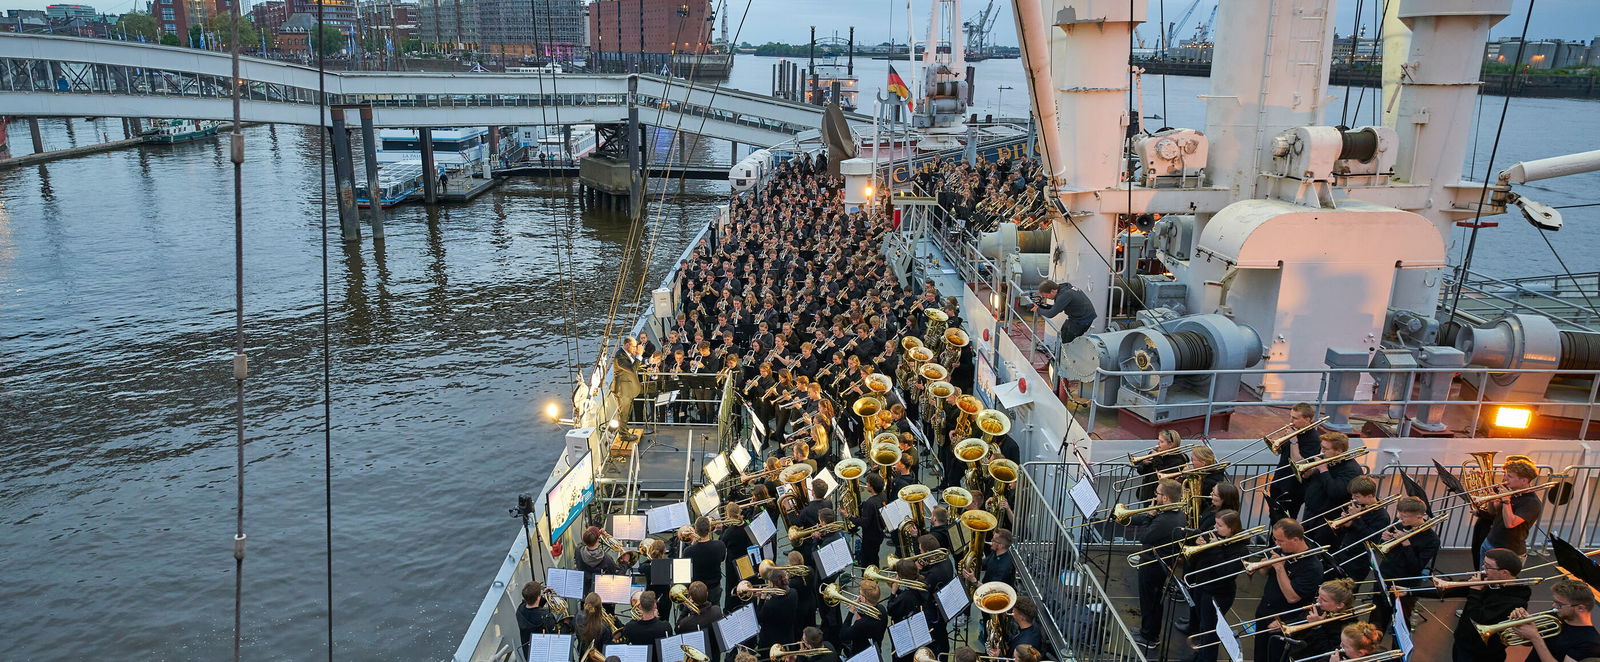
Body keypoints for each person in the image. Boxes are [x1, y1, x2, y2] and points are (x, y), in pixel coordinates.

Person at [1403, 548, 1531, 662]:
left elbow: (1477, 619)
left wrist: (1475, 592)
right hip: (1463, 643)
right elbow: (1456, 590)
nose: (1483, 569)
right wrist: (1409, 591)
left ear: (1504, 573)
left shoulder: (1515, 600)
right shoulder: (1490, 580)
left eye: (1487, 566)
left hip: (1481, 653)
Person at [1253, 519, 1325, 662]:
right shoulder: (1282, 549)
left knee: (1275, 657)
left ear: (1296, 540)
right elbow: (1263, 573)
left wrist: (1280, 568)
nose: (1277, 544)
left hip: (1284, 621)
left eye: (1281, 540)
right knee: (1259, 656)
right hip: (1265, 611)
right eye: (1275, 539)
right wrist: (1266, 565)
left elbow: (1292, 597)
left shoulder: (1312, 566)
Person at [1370, 496, 1439, 635]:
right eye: (1399, 514)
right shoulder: (1400, 522)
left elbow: (1416, 567)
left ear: (1419, 516)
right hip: (1385, 574)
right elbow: (1385, 548)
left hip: (1405, 583)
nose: (1400, 518)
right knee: (1376, 618)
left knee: (1401, 623)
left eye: (1405, 516)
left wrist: (1407, 544)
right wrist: (1384, 538)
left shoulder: (1432, 540)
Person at [1130, 479, 1187, 648]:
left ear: (1166, 499)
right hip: (1156, 563)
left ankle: (1149, 637)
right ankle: (1146, 630)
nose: (1155, 496)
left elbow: (1144, 537)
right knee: (1150, 601)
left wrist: (1150, 516)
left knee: (1151, 601)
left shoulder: (1165, 520)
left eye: (1157, 494)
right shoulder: (1175, 514)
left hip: (1153, 566)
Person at [1185, 510, 1246, 662]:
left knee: (1210, 632)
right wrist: (1199, 548)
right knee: (1203, 627)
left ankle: (1207, 659)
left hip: (1219, 594)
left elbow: (1225, 572)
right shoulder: (1215, 538)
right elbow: (1198, 564)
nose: (1214, 527)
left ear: (1231, 529)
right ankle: (1199, 657)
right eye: (1215, 523)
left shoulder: (1240, 549)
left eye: (1219, 525)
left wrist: (1214, 549)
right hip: (1202, 587)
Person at [1299, 432, 1363, 551]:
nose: (1321, 452)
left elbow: (1335, 491)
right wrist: (1309, 474)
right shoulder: (1326, 459)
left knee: (1320, 552)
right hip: (1311, 513)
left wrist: (1323, 470)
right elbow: (1316, 484)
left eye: (1325, 449)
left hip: (1327, 519)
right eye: (1321, 447)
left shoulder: (1351, 470)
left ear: (1338, 451)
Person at [1512, 578, 1600, 662]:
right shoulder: (1555, 616)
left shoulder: (1590, 642)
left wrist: (1535, 637)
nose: (1554, 606)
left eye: (1559, 604)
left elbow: (1536, 639)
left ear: (1580, 608)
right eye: (1554, 601)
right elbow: (1527, 643)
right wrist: (1521, 626)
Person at [1477, 457, 1543, 563]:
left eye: (1510, 476)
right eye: (1505, 474)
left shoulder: (1532, 502)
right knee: (1482, 577)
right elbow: (1493, 512)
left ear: (1524, 481)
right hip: (1490, 541)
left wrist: (1506, 501)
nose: (1505, 478)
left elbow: (1510, 523)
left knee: (1498, 579)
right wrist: (1491, 500)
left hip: (1509, 550)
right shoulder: (1510, 491)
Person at [1272, 578, 1356, 659]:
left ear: (1340, 605)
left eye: (1324, 600)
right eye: (1318, 596)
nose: (1317, 601)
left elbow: (1328, 652)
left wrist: (1317, 627)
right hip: (1296, 653)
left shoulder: (1348, 625)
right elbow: (1299, 620)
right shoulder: (1319, 608)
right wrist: (1285, 624)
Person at [1267, 403, 1321, 527]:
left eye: (1295, 418)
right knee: (1274, 519)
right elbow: (1279, 452)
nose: (1291, 421)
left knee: (1285, 523)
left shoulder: (1313, 439)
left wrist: (1294, 441)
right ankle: (1272, 544)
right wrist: (1283, 440)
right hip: (1279, 481)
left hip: (1293, 488)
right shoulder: (1295, 432)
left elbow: (1300, 464)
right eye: (1291, 417)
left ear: (1307, 419)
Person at [1328, 475, 1389, 581]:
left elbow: (1370, 538)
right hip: (1344, 552)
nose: (1353, 499)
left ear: (1370, 495)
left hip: (1359, 560)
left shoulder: (1382, 516)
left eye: (1357, 496)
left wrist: (1357, 518)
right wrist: (1346, 524)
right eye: (1352, 495)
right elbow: (1351, 531)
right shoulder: (1360, 506)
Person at [1034, 279, 1096, 347]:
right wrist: (1042, 305)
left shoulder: (1064, 295)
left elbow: (1050, 314)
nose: (1046, 298)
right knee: (1063, 334)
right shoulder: (1063, 288)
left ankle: (1066, 355)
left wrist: (1038, 310)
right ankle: (1059, 354)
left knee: (1068, 341)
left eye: (1046, 296)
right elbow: (1057, 307)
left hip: (1082, 320)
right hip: (1077, 316)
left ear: (1052, 291)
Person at [1132, 430, 1187, 504]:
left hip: (1161, 497)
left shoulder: (1178, 460)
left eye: (1161, 442)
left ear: (1171, 444)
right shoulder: (1157, 453)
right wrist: (1144, 463)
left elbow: (1161, 475)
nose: (1158, 444)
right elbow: (1142, 472)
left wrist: (1156, 458)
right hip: (1148, 493)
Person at [674, 582, 725, 662]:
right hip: (714, 654)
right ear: (707, 594)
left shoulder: (686, 622)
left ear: (691, 598)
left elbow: (677, 629)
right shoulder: (717, 610)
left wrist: (686, 608)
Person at [839, 579, 886, 656]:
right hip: (876, 650)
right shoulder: (882, 609)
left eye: (860, 594)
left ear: (863, 599)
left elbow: (843, 635)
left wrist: (851, 612)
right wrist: (858, 608)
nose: (858, 596)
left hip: (861, 654)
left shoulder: (861, 624)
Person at [755, 569, 800, 648]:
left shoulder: (770, 604)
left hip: (771, 641)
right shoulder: (794, 593)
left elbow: (759, 618)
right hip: (788, 636)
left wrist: (761, 599)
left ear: (772, 583)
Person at [685, 517, 727, 600]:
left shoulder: (689, 551)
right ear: (710, 529)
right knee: (715, 607)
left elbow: (687, 570)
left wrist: (693, 544)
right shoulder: (720, 545)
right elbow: (722, 559)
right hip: (715, 586)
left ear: (696, 531)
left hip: (697, 589)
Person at [621, 591, 672, 660]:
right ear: (655, 606)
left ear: (640, 606)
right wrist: (656, 618)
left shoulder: (629, 627)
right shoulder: (665, 626)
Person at [854, 474, 888, 567]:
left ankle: (869, 577)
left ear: (872, 487)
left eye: (867, 484)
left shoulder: (870, 503)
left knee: (867, 560)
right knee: (874, 556)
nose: (866, 485)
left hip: (870, 537)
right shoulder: (883, 495)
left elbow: (864, 523)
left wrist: (848, 516)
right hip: (879, 533)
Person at [517, 581, 559, 649]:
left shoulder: (520, 610)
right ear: (538, 597)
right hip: (544, 652)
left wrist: (545, 597)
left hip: (528, 651)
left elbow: (532, 604)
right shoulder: (547, 618)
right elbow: (556, 637)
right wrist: (566, 624)